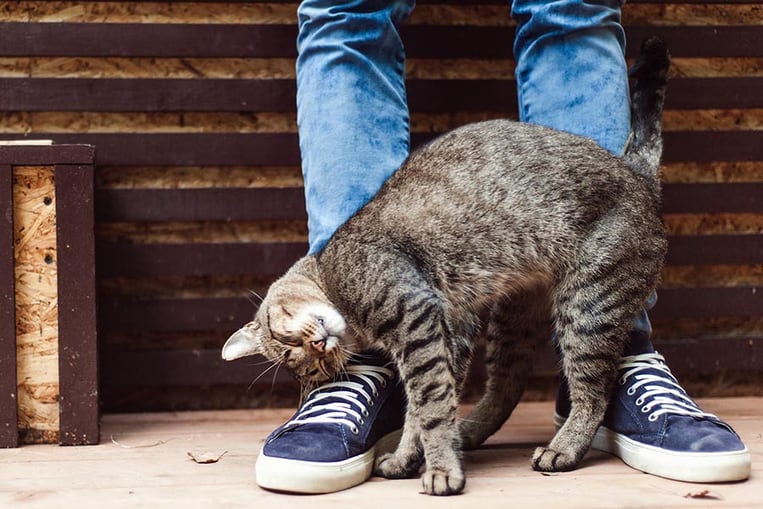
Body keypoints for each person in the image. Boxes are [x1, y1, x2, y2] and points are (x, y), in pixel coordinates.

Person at [252, 0, 751, 494]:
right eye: (308, 360)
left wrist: (438, 446)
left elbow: (423, 330)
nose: (311, 346)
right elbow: (437, 334)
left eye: (291, 341)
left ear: (270, 307)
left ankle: (605, 385)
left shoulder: (348, 267)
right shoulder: (353, 287)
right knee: (347, 9)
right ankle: (371, 384)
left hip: (588, 221)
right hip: (512, 244)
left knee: (569, 6)